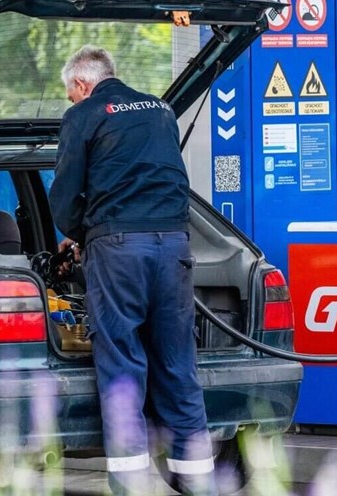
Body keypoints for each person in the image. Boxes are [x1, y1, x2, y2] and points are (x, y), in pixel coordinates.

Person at [49, 45, 217, 496]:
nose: (71, 101)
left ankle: (130, 486)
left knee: (123, 367)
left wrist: (81, 234)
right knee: (177, 364)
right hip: (175, 246)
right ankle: (199, 484)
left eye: (70, 94)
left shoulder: (83, 115)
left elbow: (64, 199)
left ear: (82, 84)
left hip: (119, 253)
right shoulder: (160, 110)